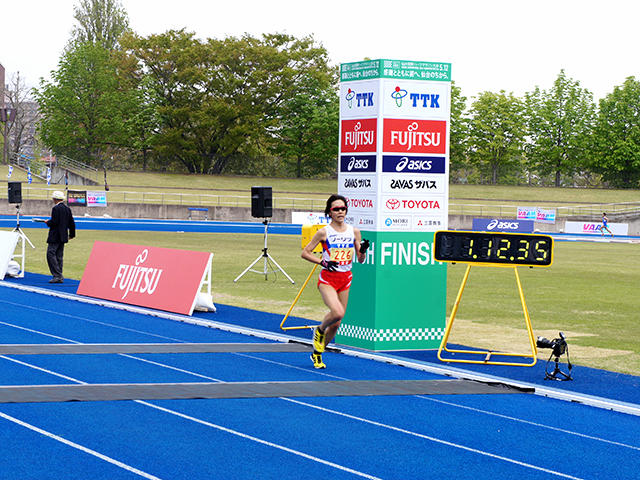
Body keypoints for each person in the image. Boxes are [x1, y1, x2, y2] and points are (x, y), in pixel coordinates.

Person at [301, 194, 369, 369]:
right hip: (328, 279)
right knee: (337, 313)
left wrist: (364, 250)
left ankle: (317, 353)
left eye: (343, 208)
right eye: (336, 209)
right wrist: (322, 262)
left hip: (345, 279)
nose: (340, 211)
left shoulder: (354, 231)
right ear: (329, 212)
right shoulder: (324, 232)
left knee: (337, 323)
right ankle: (320, 330)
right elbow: (305, 253)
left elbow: (360, 259)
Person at [45, 190, 76, 283]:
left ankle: (57, 275)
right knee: (59, 256)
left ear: (55, 199)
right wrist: (72, 234)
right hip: (63, 235)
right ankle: (59, 275)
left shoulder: (56, 209)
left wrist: (48, 222)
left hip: (55, 235)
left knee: (50, 254)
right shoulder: (67, 209)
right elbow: (71, 223)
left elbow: (54, 222)